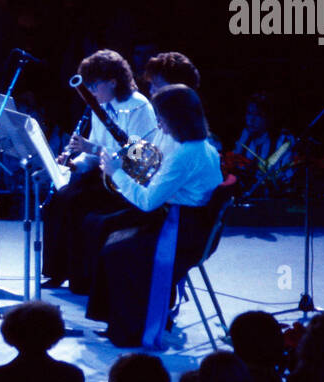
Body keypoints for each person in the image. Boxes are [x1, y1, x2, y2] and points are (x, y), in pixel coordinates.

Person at [85, 84, 223, 348]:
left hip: (184, 233)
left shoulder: (187, 154)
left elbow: (148, 202)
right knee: (107, 230)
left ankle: (133, 329)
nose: (158, 124)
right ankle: (119, 320)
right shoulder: (199, 145)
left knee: (119, 251)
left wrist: (117, 173)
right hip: (179, 219)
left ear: (177, 118)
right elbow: (158, 175)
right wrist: (131, 162)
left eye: (162, 117)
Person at [42, 49, 157, 290]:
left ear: (113, 82)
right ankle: (58, 271)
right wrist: (74, 164)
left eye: (94, 85)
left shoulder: (138, 107)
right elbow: (91, 154)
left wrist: (93, 148)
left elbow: (138, 156)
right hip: (104, 174)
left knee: (83, 209)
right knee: (60, 200)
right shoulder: (100, 106)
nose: (90, 91)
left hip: (125, 181)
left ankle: (83, 280)